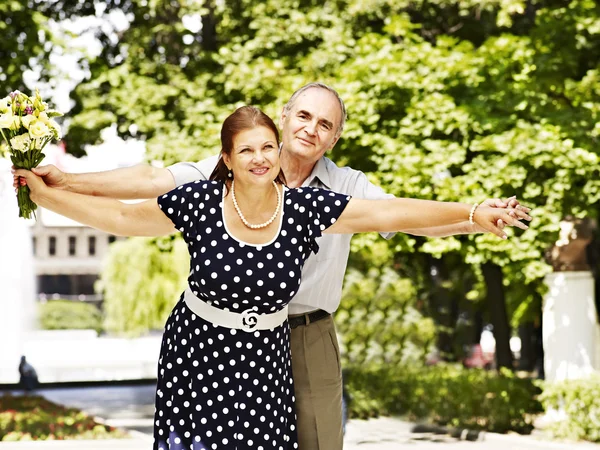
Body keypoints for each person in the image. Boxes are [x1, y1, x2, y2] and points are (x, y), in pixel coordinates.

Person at [14, 83, 530, 449]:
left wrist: (472, 216)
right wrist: (61, 184)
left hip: (296, 338)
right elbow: (140, 196)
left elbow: (399, 214)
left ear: (334, 138)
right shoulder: (216, 180)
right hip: (207, 345)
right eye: (303, 116)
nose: (310, 128)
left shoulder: (335, 193)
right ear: (281, 119)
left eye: (325, 123)